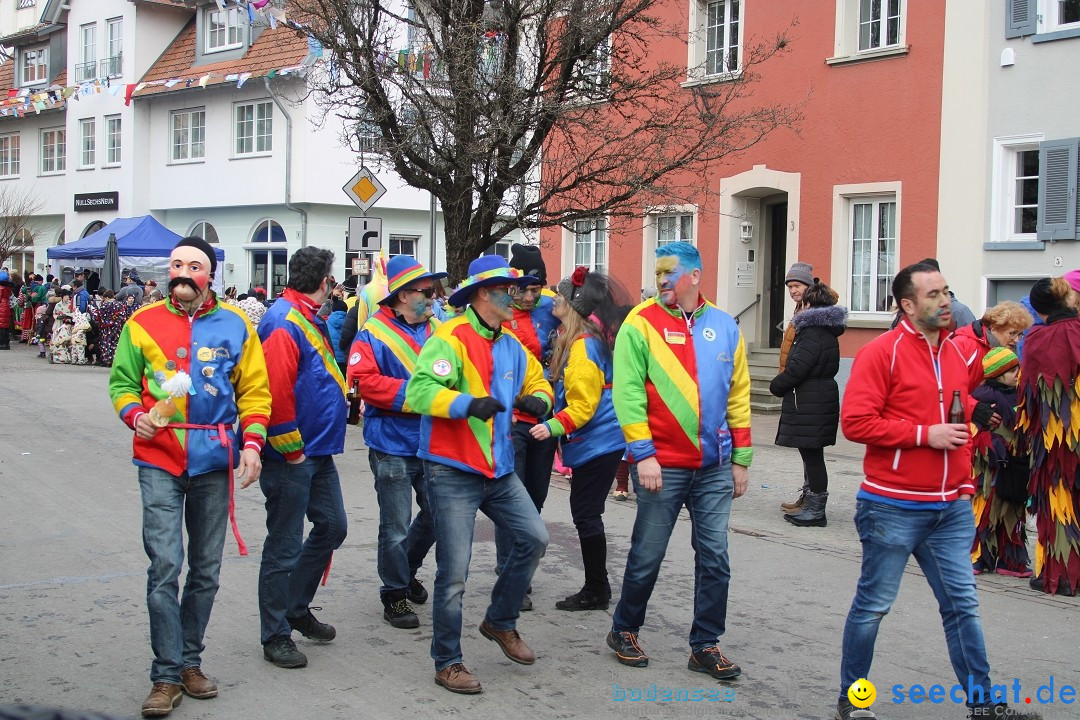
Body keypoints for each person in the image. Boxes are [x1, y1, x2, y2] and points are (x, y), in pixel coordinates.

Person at [836, 262, 1039, 720]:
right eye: (933, 294)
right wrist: (925, 435)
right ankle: (852, 702)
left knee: (963, 607)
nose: (945, 301)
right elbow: (856, 423)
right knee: (873, 607)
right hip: (891, 504)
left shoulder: (956, 353)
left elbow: (950, 400)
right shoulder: (879, 353)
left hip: (950, 507)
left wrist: (974, 418)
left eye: (947, 292)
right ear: (907, 305)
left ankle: (984, 706)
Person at [107, 236, 271, 718]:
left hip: (213, 460)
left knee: (205, 570)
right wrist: (134, 414)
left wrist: (254, 446)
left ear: (210, 274)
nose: (182, 271)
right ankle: (164, 674)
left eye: (193, 265)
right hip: (158, 456)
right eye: (176, 263)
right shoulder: (141, 323)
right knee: (164, 566)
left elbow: (255, 393)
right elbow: (120, 383)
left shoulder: (237, 325)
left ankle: (189, 663)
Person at [405, 255, 552, 695]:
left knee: (535, 538)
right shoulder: (449, 337)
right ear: (487, 293)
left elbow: (538, 383)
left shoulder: (510, 344)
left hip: (499, 467)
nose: (521, 296)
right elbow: (419, 391)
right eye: (512, 289)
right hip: (451, 469)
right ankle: (447, 661)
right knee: (454, 573)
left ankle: (500, 621)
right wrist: (466, 403)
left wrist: (539, 402)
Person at [606, 241, 752, 682]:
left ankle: (705, 644)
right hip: (661, 466)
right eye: (657, 273)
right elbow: (627, 393)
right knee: (648, 554)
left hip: (713, 468)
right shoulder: (640, 323)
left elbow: (739, 394)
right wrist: (643, 455)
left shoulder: (726, 326)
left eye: (669, 273)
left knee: (715, 557)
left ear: (694, 276)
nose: (661, 281)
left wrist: (741, 458)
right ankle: (624, 630)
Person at [256, 247, 349, 669]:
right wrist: (289, 447)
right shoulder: (283, 321)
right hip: (292, 452)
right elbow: (275, 392)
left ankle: (296, 606)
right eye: (331, 279)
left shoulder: (302, 315)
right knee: (283, 545)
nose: (332, 286)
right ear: (323, 282)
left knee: (332, 526)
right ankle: (275, 633)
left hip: (316, 448)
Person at [347, 255, 445, 629]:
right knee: (396, 523)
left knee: (437, 514)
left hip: (433, 440)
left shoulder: (440, 329)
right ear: (403, 295)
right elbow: (362, 382)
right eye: (425, 292)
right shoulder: (372, 332)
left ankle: (406, 569)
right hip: (390, 442)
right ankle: (394, 593)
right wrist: (420, 394)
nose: (433, 298)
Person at [528, 266, 629, 611]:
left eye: (561, 294)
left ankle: (597, 589)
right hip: (600, 442)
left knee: (586, 514)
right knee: (586, 512)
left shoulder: (583, 348)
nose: (554, 298)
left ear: (574, 304)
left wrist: (552, 426)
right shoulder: (582, 339)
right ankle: (596, 586)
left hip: (598, 442)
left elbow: (584, 406)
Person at [499, 242, 561, 610]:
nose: (530, 296)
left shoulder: (552, 308)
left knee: (535, 498)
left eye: (537, 288)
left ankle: (519, 566)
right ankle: (513, 578)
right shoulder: (501, 313)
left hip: (545, 418)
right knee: (513, 499)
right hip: (511, 421)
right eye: (524, 289)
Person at [1018, 277, 1080, 597]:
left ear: (1039, 310)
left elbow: (1027, 392)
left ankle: (1064, 575)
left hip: (1056, 438)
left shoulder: (1037, 338)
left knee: (1059, 501)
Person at [769, 279, 846, 527]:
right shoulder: (825, 330)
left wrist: (777, 386)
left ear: (810, 303)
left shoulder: (812, 332)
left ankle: (816, 511)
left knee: (812, 457)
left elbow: (797, 368)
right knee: (813, 455)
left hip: (811, 399)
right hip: (819, 397)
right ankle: (811, 504)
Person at [970, 347, 1030, 578]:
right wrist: (989, 443)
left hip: (1016, 463)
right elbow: (974, 431)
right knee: (986, 509)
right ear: (996, 374)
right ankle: (979, 557)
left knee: (1013, 509)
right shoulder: (984, 398)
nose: (1017, 373)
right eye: (1011, 370)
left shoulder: (1019, 395)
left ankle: (1010, 559)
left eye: (1017, 368)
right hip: (991, 466)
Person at [777, 262, 812, 514]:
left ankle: (813, 501)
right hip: (796, 388)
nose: (792, 291)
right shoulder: (802, 308)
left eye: (796, 286)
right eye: (790, 287)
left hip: (806, 391)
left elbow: (806, 355)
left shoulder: (813, 311)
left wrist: (785, 379)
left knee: (811, 451)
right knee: (806, 449)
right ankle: (808, 495)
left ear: (808, 286)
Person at [950, 301, 1032, 380]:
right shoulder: (963, 345)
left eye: (1019, 334)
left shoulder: (1010, 352)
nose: (1017, 340)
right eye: (1012, 333)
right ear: (994, 329)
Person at [0, 271, 12, 350]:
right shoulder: (8, 288)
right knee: (5, 325)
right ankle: (6, 343)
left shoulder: (1, 288)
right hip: (6, 306)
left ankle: (2, 343)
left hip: (1, 306)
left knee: (1, 326)